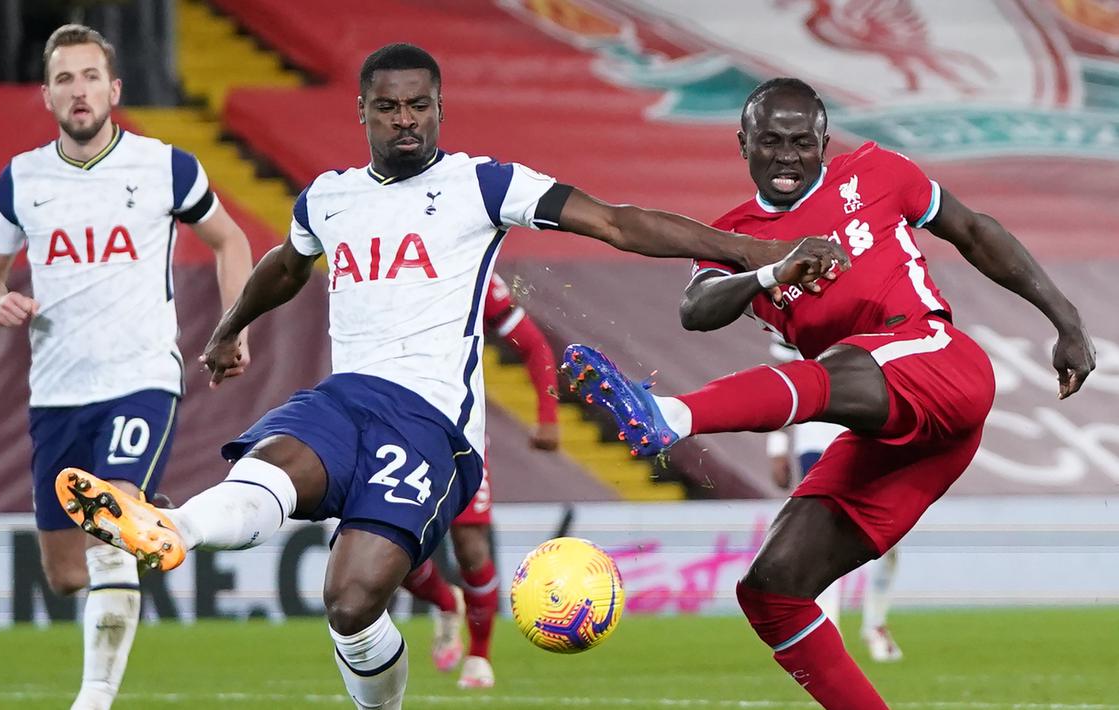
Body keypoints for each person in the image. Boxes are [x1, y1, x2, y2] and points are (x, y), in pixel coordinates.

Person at [53, 45, 843, 710]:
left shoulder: (481, 184)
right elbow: (284, 264)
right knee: (277, 466)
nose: (407, 121)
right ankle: (167, 528)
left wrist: (754, 255)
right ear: (361, 111)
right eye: (390, 108)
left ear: (438, 108)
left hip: (431, 426)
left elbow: (614, 219)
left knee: (351, 603)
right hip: (343, 398)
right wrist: (230, 329)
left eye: (420, 106)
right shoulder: (328, 197)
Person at [562, 78, 1093, 708]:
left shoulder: (877, 171)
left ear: (823, 142)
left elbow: (974, 231)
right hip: (891, 433)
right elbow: (696, 309)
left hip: (941, 363)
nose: (786, 156)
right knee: (773, 591)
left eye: (800, 142)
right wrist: (769, 268)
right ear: (743, 145)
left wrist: (1067, 321)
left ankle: (672, 415)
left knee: (839, 364)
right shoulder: (736, 236)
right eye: (769, 141)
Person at [0, 24, 253, 710]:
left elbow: (230, 238)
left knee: (112, 526)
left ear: (114, 89)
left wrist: (232, 325)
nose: (79, 90)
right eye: (64, 79)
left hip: (142, 376)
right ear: (46, 95)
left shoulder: (166, 166)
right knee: (66, 574)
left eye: (90, 76)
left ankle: (94, 697)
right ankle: (171, 524)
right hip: (58, 391)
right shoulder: (23, 179)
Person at [402, 272, 560, 689]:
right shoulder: (378, 267)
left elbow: (532, 344)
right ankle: (444, 600)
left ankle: (479, 655)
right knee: (393, 549)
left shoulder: (471, 269)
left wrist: (547, 415)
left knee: (471, 548)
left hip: (460, 435)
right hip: (395, 431)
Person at [767, 340, 902, 663]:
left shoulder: (873, 304)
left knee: (890, 541)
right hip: (816, 440)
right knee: (824, 541)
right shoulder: (794, 303)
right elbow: (783, 381)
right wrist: (776, 445)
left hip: (869, 437)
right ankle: (830, 638)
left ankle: (875, 625)